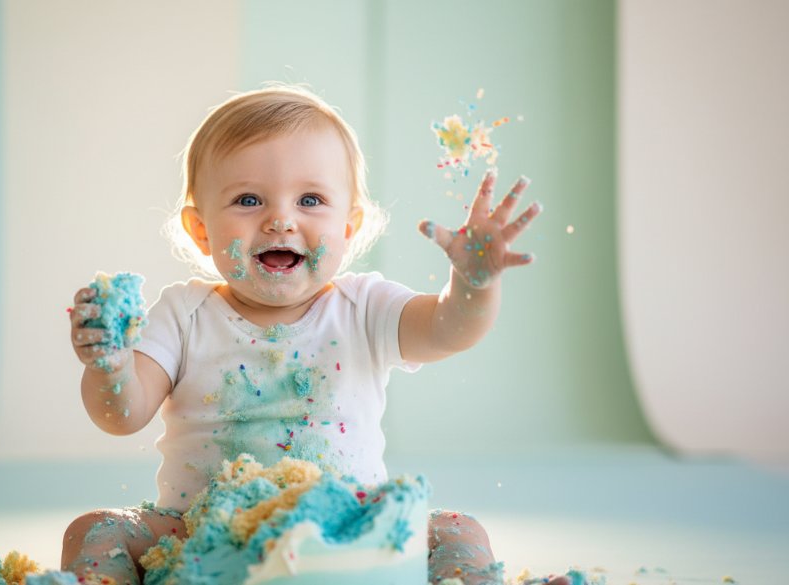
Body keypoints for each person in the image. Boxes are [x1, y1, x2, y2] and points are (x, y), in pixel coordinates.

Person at [63, 85, 567, 585]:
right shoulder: (183, 313)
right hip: (202, 533)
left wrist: (474, 284)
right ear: (201, 230)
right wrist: (110, 365)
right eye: (248, 199)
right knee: (97, 529)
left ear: (349, 227)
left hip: (349, 532)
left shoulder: (363, 307)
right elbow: (121, 415)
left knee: (458, 530)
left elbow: (447, 330)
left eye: (310, 199)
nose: (280, 219)